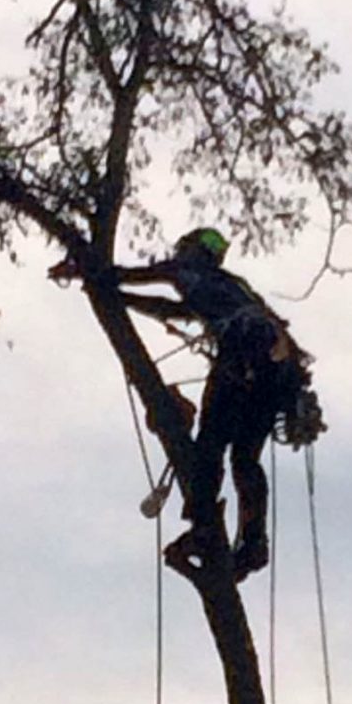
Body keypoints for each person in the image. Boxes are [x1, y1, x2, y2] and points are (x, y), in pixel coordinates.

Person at [112, 228, 326, 580]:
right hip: (276, 375)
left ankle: (204, 526)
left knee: (210, 444)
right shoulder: (233, 286)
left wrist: (104, 278)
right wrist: (127, 300)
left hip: (242, 359)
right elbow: (175, 309)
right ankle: (253, 543)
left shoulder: (190, 271)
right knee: (245, 458)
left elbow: (154, 276)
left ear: (193, 250)